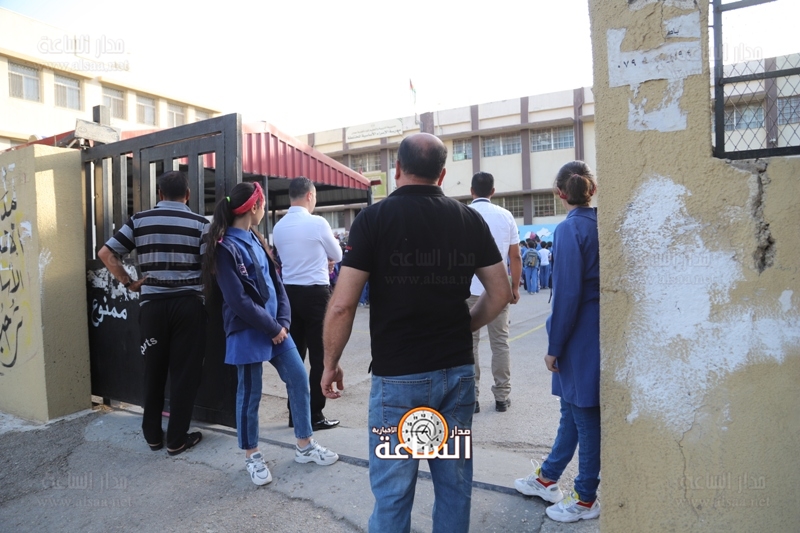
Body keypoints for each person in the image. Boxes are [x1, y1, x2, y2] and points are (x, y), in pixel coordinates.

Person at [321, 133, 512, 532]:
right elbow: (500, 293)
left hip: (398, 379)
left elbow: (342, 305)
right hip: (456, 376)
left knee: (393, 491)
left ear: (396, 169)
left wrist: (330, 362)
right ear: (442, 174)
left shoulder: (373, 220)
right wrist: (463, 325)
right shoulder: (469, 219)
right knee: (454, 484)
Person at [202, 181, 338, 486]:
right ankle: (252, 454)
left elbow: (278, 283)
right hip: (248, 330)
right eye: (263, 205)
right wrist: (274, 327)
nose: (264, 209)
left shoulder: (256, 238)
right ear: (254, 207)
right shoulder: (225, 247)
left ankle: (304, 444)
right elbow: (238, 300)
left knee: (299, 378)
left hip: (276, 328)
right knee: (250, 393)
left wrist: (283, 321)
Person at [98, 170, 208, 456]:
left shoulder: (139, 220)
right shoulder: (201, 224)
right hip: (188, 306)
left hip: (153, 308)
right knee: (184, 374)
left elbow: (106, 253)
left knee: (153, 371)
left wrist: (129, 283)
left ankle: (153, 437)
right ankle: (177, 440)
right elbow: (211, 266)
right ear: (188, 195)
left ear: (160, 194)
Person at [514, 161, 600, 523]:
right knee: (571, 410)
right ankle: (548, 477)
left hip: (580, 333)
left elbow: (567, 294)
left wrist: (554, 347)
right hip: (595, 328)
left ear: (559, 194)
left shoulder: (569, 229)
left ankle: (586, 498)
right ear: (592, 190)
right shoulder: (599, 223)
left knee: (584, 416)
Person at [272, 177, 342, 430]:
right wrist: (324, 259)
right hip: (316, 295)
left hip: (289, 296)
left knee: (295, 356)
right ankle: (314, 415)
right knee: (319, 356)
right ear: (310, 195)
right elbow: (338, 254)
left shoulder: (279, 227)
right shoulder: (317, 223)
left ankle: (296, 413)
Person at [466, 171, 521, 413]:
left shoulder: (464, 214)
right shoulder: (505, 215)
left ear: (471, 191)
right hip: (498, 290)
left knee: (469, 345)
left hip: (468, 290)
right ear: (493, 191)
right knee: (500, 343)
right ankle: (502, 396)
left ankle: (472, 397)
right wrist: (514, 287)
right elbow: (515, 256)